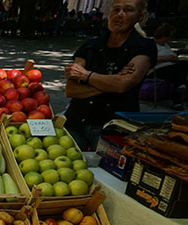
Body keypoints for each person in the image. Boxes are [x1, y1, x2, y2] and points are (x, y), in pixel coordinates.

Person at [63, 0, 156, 151]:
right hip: (76, 122)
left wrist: (86, 76)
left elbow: (123, 84)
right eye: (116, 9)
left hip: (115, 128)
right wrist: (112, 83)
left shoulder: (144, 47)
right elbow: (71, 90)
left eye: (128, 10)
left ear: (140, 16)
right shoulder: (90, 46)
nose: (120, 15)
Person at [153, 24, 187, 109]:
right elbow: (151, 59)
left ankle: (178, 99)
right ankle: (181, 91)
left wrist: (174, 58)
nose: (169, 39)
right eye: (168, 36)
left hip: (172, 68)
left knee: (181, 72)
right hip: (159, 69)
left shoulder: (166, 45)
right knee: (180, 72)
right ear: (163, 35)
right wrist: (167, 59)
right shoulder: (152, 45)